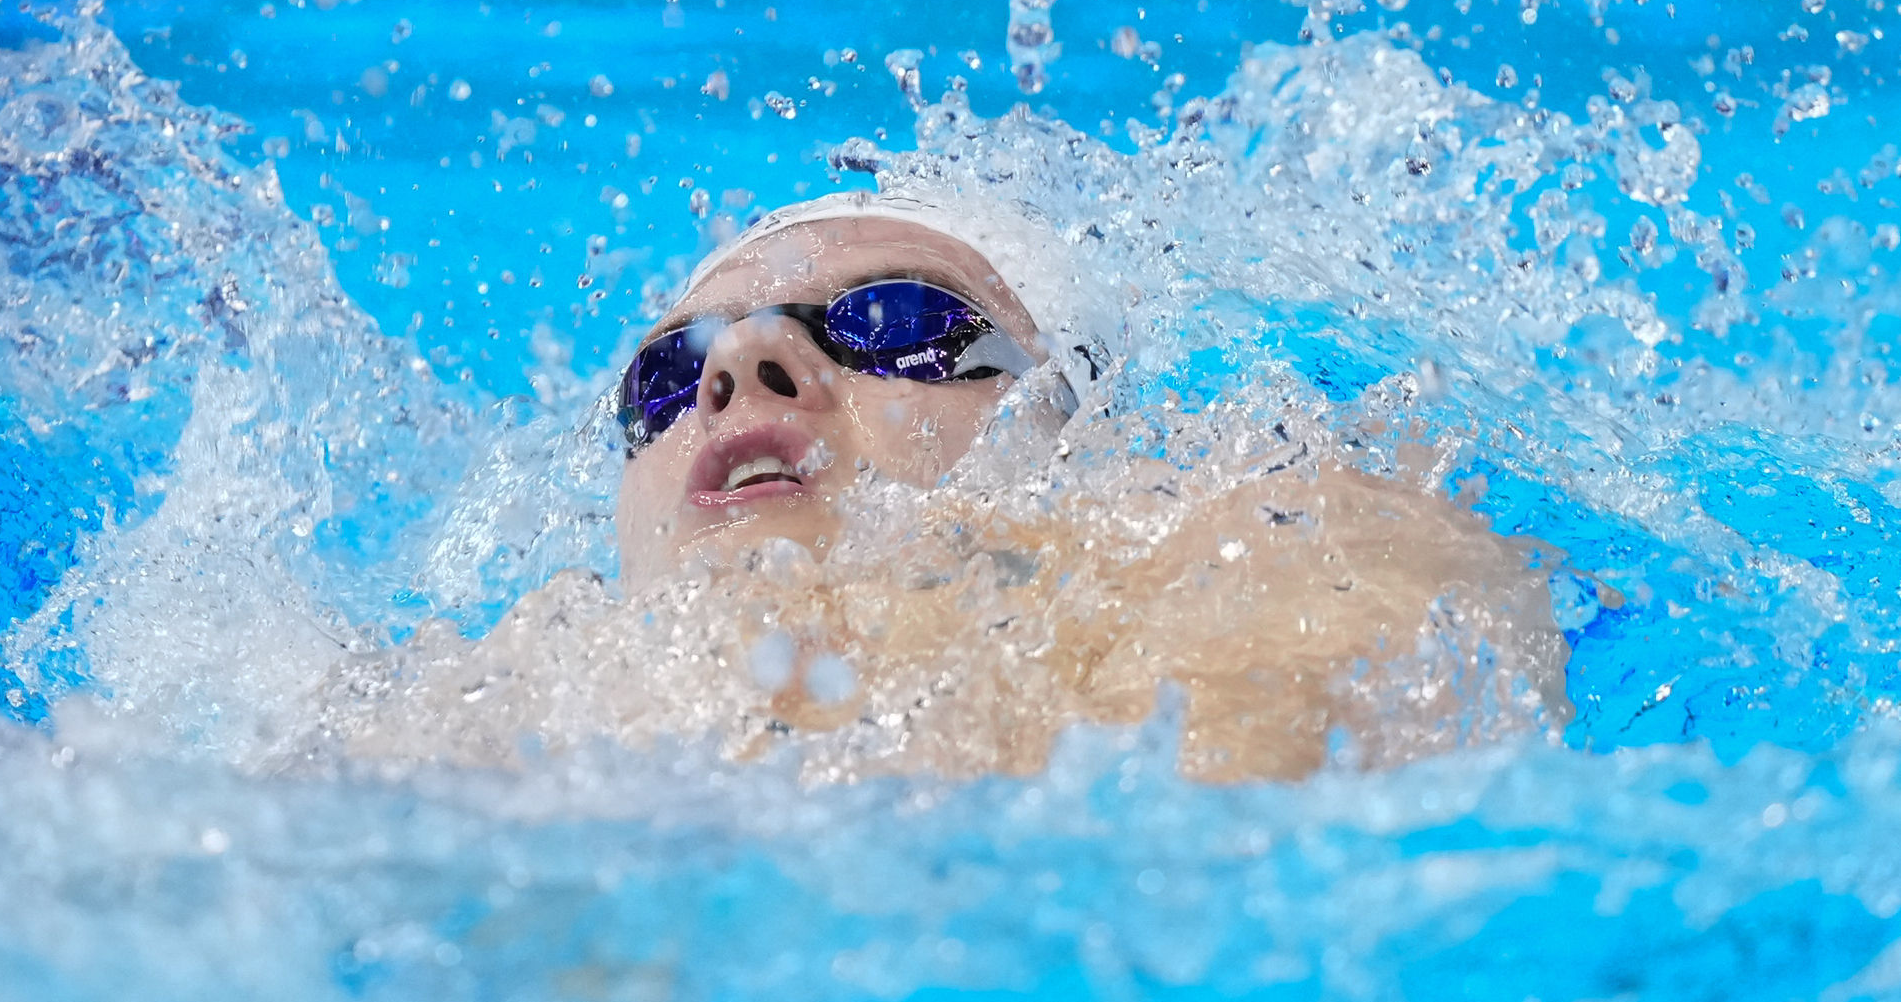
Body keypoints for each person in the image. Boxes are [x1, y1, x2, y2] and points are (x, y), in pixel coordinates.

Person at [323, 184, 1572, 782]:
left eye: (889, 321)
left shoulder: (1282, 548)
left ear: (1080, 434)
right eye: (665, 374)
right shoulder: (467, 709)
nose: (740, 366)